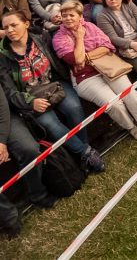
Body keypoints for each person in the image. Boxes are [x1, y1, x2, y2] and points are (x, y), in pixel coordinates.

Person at [0, 11, 106, 174]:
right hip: (31, 97)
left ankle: (84, 154)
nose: (10, 30)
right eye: (6, 27)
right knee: (50, 124)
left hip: (55, 83)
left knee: (74, 108)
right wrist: (30, 102)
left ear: (26, 24)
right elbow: (9, 91)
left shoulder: (41, 37)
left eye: (14, 25)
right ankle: (86, 153)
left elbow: (58, 60)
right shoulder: (3, 56)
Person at [52, 1, 137, 140]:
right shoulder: (59, 38)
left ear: (80, 16)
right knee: (113, 104)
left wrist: (86, 57)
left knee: (129, 92)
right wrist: (80, 38)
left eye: (71, 15)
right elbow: (76, 60)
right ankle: (131, 127)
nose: (68, 18)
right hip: (85, 77)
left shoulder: (90, 26)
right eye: (64, 15)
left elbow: (106, 47)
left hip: (108, 66)